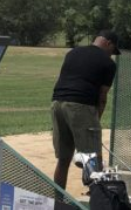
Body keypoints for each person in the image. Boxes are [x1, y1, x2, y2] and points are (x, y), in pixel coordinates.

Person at [51, 30, 120, 189]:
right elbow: (102, 97)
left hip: (57, 103)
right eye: (113, 50)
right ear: (108, 43)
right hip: (81, 105)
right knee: (93, 158)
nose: (112, 54)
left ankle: (58, 202)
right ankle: (96, 205)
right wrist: (96, 122)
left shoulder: (72, 53)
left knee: (63, 159)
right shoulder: (108, 63)